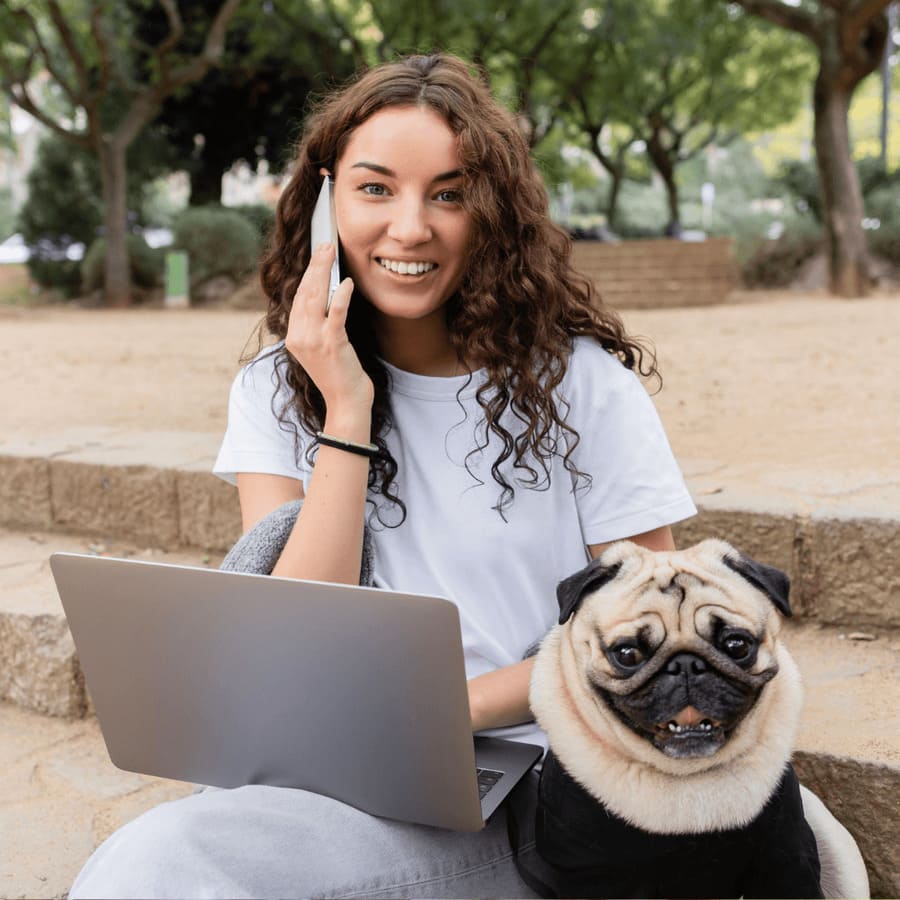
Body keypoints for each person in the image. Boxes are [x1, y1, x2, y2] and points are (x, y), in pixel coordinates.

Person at [69, 52, 699, 898]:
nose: (410, 228)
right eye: (375, 189)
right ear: (326, 200)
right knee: (153, 860)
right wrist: (347, 413)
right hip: (343, 774)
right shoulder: (275, 390)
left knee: (163, 869)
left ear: (495, 212)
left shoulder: (584, 387)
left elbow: (649, 632)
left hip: (535, 788)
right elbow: (289, 637)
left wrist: (449, 712)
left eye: (449, 193)